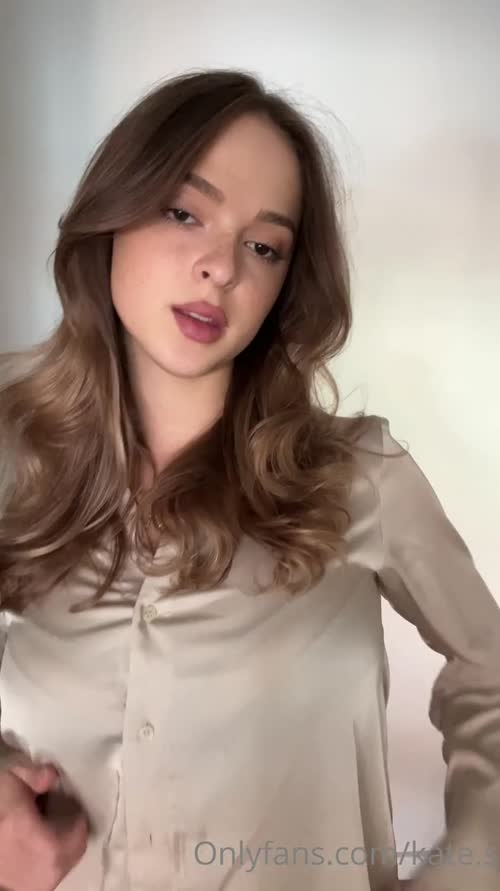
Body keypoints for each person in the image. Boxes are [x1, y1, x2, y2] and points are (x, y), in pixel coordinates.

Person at [0, 68, 499, 891]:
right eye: (184, 212)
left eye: (263, 246)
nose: (221, 268)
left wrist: (470, 869)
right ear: (113, 211)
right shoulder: (17, 445)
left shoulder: (358, 477)